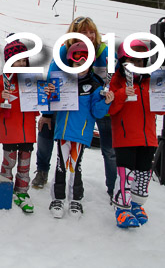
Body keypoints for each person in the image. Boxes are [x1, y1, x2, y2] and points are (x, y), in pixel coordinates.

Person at [33, 16, 116, 197]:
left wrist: (111, 99)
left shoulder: (104, 51)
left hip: (98, 100)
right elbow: (52, 79)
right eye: (83, 32)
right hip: (68, 100)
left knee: (109, 148)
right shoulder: (65, 51)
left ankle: (113, 188)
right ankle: (42, 170)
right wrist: (46, 113)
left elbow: (117, 77)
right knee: (46, 130)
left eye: (91, 31)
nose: (88, 35)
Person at [108, 40, 165, 228]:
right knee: (126, 175)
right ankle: (121, 208)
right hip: (125, 138)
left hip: (148, 138)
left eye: (141, 61)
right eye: (132, 61)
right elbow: (111, 109)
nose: (137, 65)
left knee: (143, 174)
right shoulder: (117, 81)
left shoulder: (151, 81)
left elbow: (161, 110)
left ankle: (136, 205)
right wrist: (122, 93)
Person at [42, 42, 113, 218]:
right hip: (63, 132)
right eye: (77, 62)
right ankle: (57, 198)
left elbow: (96, 111)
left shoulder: (95, 85)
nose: (81, 65)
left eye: (85, 61)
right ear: (70, 63)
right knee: (60, 164)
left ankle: (76, 199)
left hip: (81, 133)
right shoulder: (61, 80)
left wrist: (106, 102)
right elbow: (49, 104)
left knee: (75, 166)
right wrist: (47, 95)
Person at [0, 40, 39, 213]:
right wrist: (1, 97)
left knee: (25, 165)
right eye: (17, 60)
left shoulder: (32, 80)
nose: (21, 64)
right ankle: (5, 188)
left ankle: (22, 192)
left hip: (28, 131)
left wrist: (46, 95)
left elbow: (39, 105)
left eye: (24, 60)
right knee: (8, 162)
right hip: (9, 130)